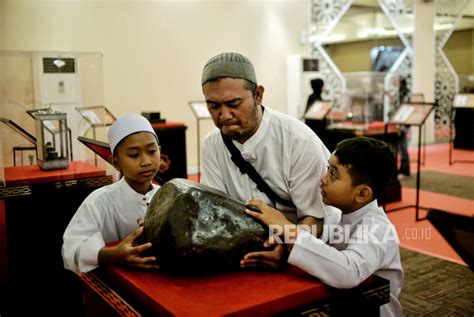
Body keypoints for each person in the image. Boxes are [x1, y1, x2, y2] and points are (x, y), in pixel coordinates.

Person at [200, 52, 340, 270]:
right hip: (248, 252)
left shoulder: (298, 140)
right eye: (214, 106)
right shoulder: (212, 144)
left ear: (258, 94)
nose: (224, 115)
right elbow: (215, 210)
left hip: (309, 251)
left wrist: (286, 247)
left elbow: (316, 220)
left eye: (234, 103)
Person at [245, 136, 403, 316]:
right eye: (328, 169)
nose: (323, 179)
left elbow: (349, 271)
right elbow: (318, 251)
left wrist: (285, 226)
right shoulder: (340, 216)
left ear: (362, 193)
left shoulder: (378, 228)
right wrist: (284, 248)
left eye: (333, 174)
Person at [62, 114, 161, 274]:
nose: (146, 161)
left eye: (151, 151)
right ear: (116, 162)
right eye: (134, 155)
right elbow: (71, 250)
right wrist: (111, 255)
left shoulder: (165, 195)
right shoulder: (99, 201)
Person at [397, 77, 410, 179]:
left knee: (403, 148)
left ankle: (405, 171)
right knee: (401, 148)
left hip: (403, 122)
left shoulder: (404, 93)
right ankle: (402, 169)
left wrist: (403, 126)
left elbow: (405, 109)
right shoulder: (400, 92)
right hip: (399, 121)